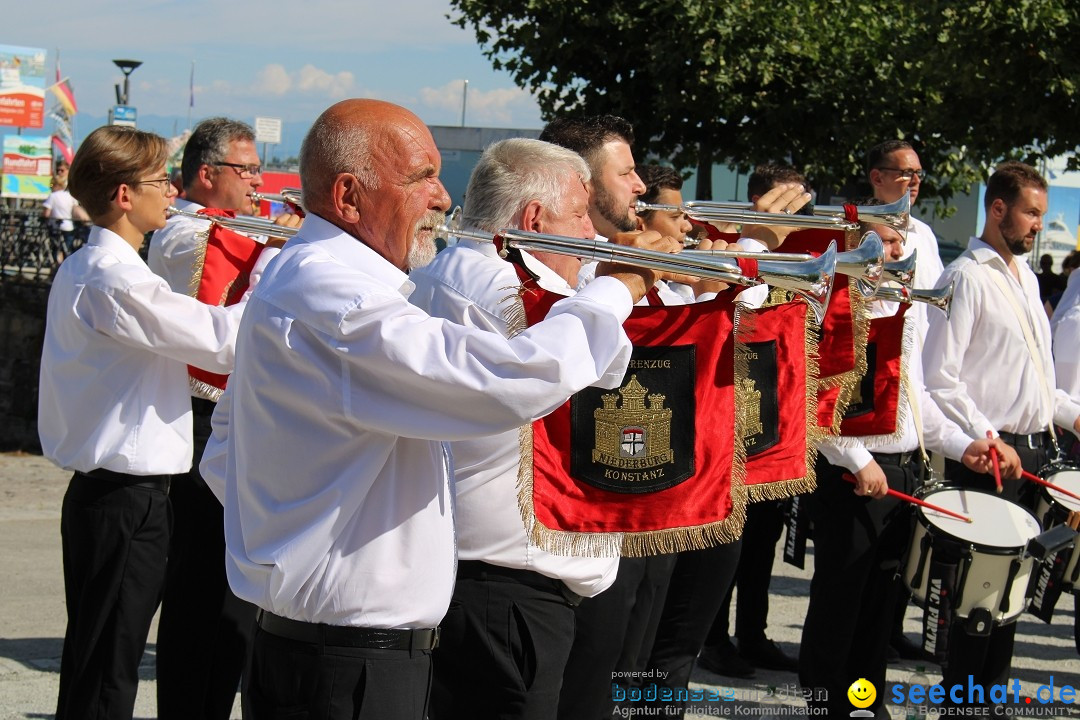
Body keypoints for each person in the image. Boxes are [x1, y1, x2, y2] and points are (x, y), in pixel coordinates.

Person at [199, 99, 674, 720]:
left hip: (331, 649)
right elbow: (503, 382)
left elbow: (223, 451)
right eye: (421, 177)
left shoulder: (305, 280)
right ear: (348, 196)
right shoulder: (333, 297)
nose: (443, 197)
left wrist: (296, 533)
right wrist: (620, 284)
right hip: (348, 661)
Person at [410, 137, 662, 719]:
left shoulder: (465, 275)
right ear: (533, 220)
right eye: (580, 216)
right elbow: (590, 365)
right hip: (504, 587)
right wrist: (628, 282)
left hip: (494, 580)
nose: (593, 235)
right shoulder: (500, 289)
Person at [37, 125, 252, 720]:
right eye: (160, 180)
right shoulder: (116, 278)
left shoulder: (100, 268)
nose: (172, 191)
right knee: (109, 664)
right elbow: (222, 341)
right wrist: (276, 272)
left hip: (113, 496)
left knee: (98, 655)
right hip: (124, 499)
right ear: (125, 195)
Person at [799, 208, 1019, 718]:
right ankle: (823, 705)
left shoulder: (904, 304)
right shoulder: (828, 306)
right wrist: (856, 460)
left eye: (898, 244)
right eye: (884, 243)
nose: (896, 253)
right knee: (840, 602)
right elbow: (811, 398)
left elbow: (916, 400)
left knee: (880, 606)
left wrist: (964, 445)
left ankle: (864, 703)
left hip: (900, 469)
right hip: (851, 475)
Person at [147, 117, 297, 720]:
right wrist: (279, 253)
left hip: (236, 416)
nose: (260, 184)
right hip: (198, 417)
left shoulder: (235, 229)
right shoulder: (187, 233)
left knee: (234, 584)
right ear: (206, 175)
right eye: (248, 170)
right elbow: (230, 331)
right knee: (198, 584)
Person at [924, 161, 1080, 706]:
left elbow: (1038, 380)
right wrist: (987, 435)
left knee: (1011, 596)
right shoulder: (964, 276)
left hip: (1032, 453)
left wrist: (1070, 414)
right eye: (1032, 213)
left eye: (1042, 214)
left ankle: (991, 704)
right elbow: (938, 378)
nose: (1040, 224)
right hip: (990, 460)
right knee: (977, 602)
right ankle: (962, 708)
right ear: (998, 210)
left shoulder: (1027, 277)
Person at [696, 162, 808, 680]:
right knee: (726, 541)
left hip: (775, 407)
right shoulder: (725, 239)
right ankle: (713, 640)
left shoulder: (804, 247)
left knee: (762, 537)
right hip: (732, 404)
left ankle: (755, 632)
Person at [42, 174, 85, 261]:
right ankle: (66, 264)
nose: (51, 187)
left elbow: (46, 213)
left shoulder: (53, 196)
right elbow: (75, 209)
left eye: (51, 185)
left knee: (55, 248)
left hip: (56, 227)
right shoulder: (69, 195)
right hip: (69, 226)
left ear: (56, 185)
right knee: (67, 249)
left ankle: (55, 265)